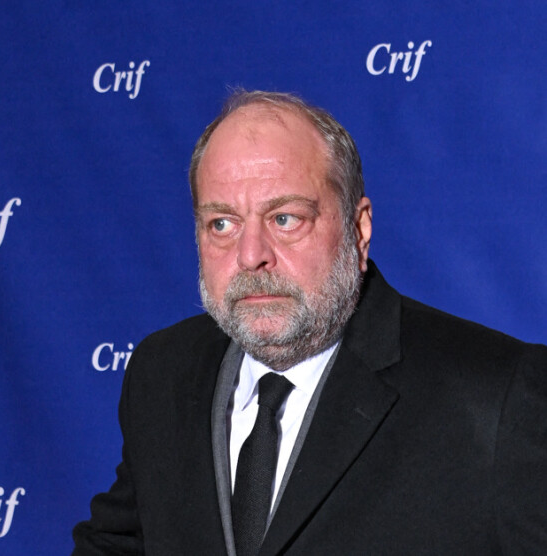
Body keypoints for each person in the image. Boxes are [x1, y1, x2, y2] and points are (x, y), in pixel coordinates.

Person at [72, 90, 547, 555]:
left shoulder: (498, 397)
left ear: (358, 230)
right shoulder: (163, 373)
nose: (251, 255)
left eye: (285, 219)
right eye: (222, 224)